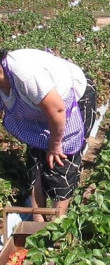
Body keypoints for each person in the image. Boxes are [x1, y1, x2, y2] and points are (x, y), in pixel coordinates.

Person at [0, 48, 96, 221]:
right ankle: (38, 222)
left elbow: (58, 110)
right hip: (40, 110)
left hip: (70, 102)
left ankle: (56, 224)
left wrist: (55, 145)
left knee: (61, 160)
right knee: (35, 158)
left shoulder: (25, 74)